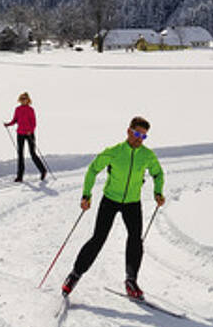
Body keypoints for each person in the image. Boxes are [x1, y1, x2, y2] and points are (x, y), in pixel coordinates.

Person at [62, 115, 165, 299]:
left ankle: (131, 280)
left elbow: (158, 173)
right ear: (128, 131)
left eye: (143, 136)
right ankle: (74, 275)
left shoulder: (147, 155)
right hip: (110, 200)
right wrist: (86, 195)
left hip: (132, 203)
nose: (139, 139)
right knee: (98, 238)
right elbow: (93, 170)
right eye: (136, 133)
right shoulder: (114, 152)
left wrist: (158, 192)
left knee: (135, 240)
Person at [4, 92, 48, 182]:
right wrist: (8, 124)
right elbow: (15, 120)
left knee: (32, 154)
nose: (23, 100)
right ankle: (20, 176)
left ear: (28, 100)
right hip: (20, 134)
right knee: (20, 155)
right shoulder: (17, 109)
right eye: (22, 99)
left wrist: (30, 131)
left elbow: (34, 123)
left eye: (25, 99)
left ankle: (43, 171)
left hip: (29, 134)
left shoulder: (30, 110)